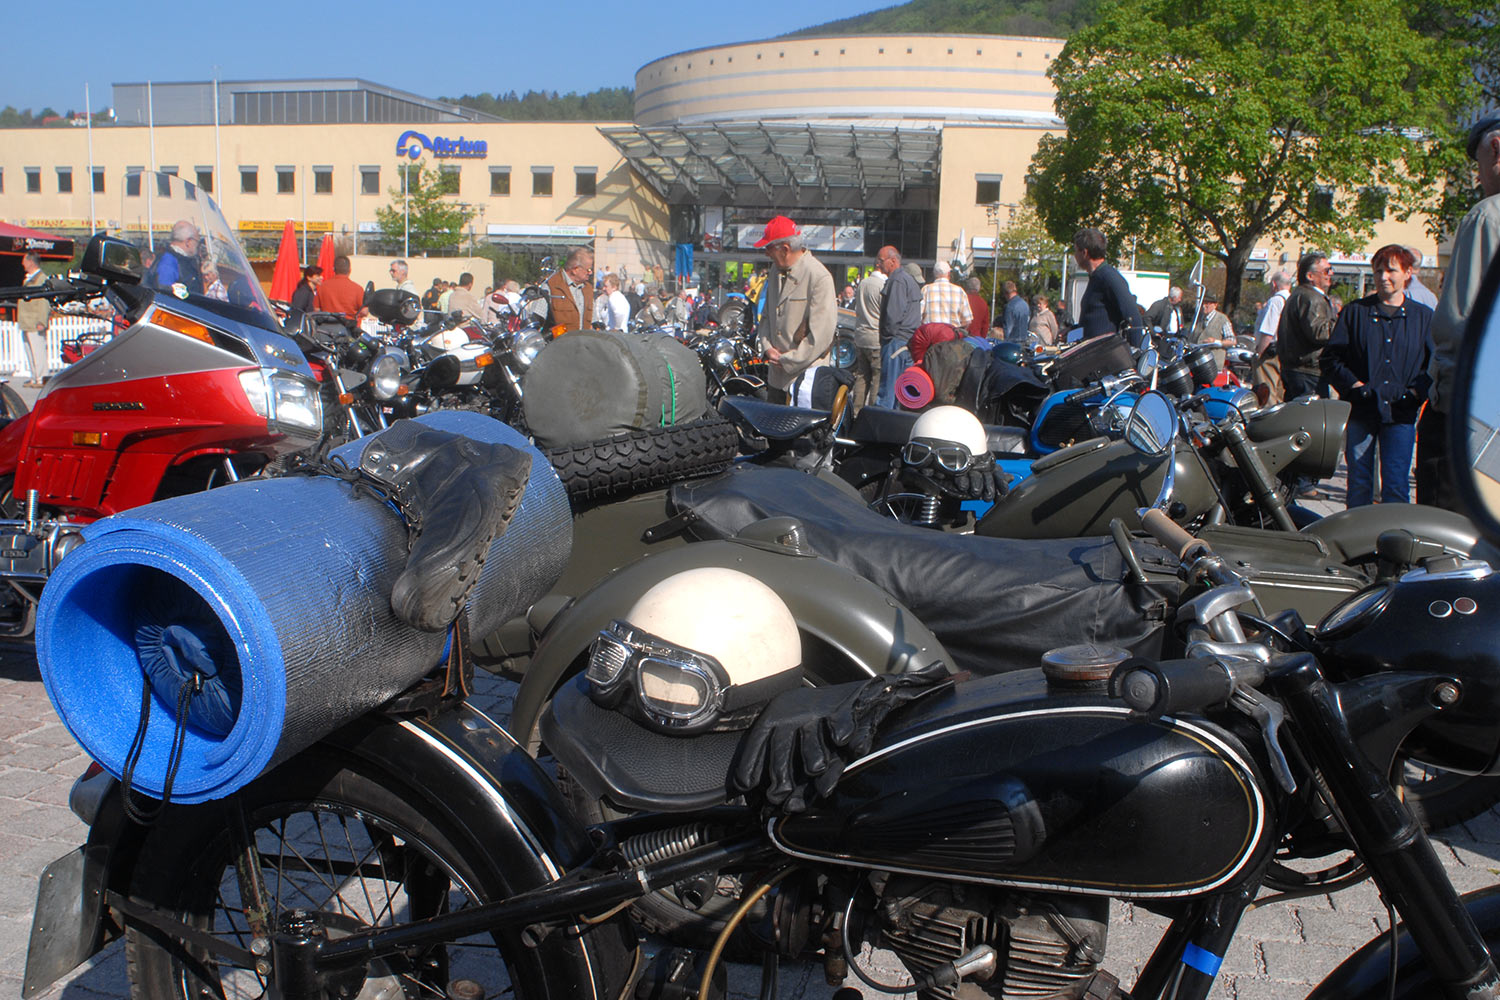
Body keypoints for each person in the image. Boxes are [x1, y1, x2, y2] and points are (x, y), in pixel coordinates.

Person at [1421, 114, 1500, 509]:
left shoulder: (1489, 216)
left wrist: (1442, 404)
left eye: (1478, 164)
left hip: (1474, 419)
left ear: (1496, 150)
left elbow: (1458, 327)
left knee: (1442, 543)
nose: (1479, 176)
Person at [1321, 245, 1433, 507]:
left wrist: (1416, 393)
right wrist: (1354, 385)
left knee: (1395, 484)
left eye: (1391, 270)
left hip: (1401, 413)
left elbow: (1435, 364)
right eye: (1378, 270)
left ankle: (1394, 540)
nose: (1383, 277)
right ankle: (1356, 541)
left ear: (1407, 273)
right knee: (1359, 482)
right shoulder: (1355, 312)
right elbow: (1331, 358)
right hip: (1362, 409)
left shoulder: (1423, 317)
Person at [753, 216, 835, 402]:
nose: (766, 254)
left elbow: (821, 336)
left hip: (805, 382)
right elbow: (766, 316)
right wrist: (767, 348)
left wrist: (787, 360)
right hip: (776, 379)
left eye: (768, 248)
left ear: (785, 249)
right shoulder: (775, 271)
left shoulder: (819, 277)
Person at [1277, 251, 1336, 400]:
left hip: (1298, 369)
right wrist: (1343, 324)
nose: (1331, 273)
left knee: (1295, 416)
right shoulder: (1310, 297)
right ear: (1310, 276)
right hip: (1308, 372)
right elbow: (1319, 332)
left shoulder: (1300, 295)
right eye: (1326, 270)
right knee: (1310, 420)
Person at [1072, 228, 1140, 341]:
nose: (1074, 255)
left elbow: (1133, 316)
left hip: (1105, 354)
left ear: (1085, 253)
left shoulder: (1108, 277)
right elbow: (1097, 320)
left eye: (1076, 251)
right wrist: (1072, 329)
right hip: (1092, 352)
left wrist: (1136, 354)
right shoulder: (1096, 277)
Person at [876, 246, 921, 409]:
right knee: (900, 396)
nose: (877, 265)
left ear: (893, 261)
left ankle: (879, 432)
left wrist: (887, 338)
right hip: (906, 343)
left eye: (880, 261)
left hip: (897, 343)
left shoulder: (897, 280)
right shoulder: (906, 279)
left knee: (887, 394)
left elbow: (893, 316)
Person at [852, 265, 886, 412]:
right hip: (875, 337)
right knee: (877, 378)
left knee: (862, 375)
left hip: (860, 335)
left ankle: (856, 411)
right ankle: (872, 412)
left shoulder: (862, 284)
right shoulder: (881, 286)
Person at [16, 252, 51, 388]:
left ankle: (41, 377)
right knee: (30, 351)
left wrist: (42, 320)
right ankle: (34, 377)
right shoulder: (29, 279)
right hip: (27, 321)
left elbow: (43, 301)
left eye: (24, 260)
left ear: (31, 262)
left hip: (35, 321)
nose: (22, 264)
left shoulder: (41, 279)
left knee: (38, 351)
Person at [545, 248, 595, 333]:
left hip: (584, 343)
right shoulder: (550, 286)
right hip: (558, 344)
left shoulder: (588, 289)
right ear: (575, 269)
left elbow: (593, 320)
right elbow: (537, 320)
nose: (590, 273)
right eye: (588, 270)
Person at [149, 220, 203, 295]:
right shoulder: (168, 263)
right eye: (198, 242)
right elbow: (164, 295)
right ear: (188, 242)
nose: (198, 246)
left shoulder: (183, 261)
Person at [920, 259, 972, 330]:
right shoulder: (959, 291)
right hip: (952, 335)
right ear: (948, 274)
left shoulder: (926, 290)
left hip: (931, 335)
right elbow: (967, 320)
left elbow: (918, 316)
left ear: (934, 274)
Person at [1192, 292, 1235, 368]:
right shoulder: (1197, 318)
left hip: (1214, 364)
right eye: (1203, 302)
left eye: (1207, 303)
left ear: (1215, 305)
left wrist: (1216, 342)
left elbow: (1232, 341)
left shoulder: (1223, 319)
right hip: (1198, 362)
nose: (1204, 306)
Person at [1256, 269, 1294, 355]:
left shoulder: (1275, 301)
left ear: (1274, 284)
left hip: (1270, 353)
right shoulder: (1293, 300)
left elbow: (1268, 332)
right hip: (1287, 351)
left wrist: (1259, 354)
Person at [317, 255, 365, 320]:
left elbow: (316, 309)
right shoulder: (358, 289)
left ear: (333, 269)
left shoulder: (322, 287)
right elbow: (364, 312)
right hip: (348, 327)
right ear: (350, 270)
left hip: (326, 326)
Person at [1000, 280, 1029, 344]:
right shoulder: (1025, 304)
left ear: (1006, 293)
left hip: (1013, 342)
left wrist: (1005, 342)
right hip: (1024, 340)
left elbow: (1008, 328)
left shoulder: (1009, 307)